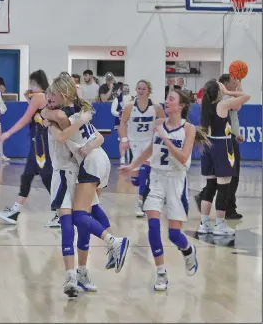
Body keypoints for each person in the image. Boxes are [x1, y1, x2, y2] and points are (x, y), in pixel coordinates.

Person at [120, 89, 209, 291]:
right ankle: (161, 273)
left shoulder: (189, 129)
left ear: (181, 105)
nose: (166, 101)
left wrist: (165, 139)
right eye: (166, 97)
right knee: (152, 226)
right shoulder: (159, 124)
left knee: (174, 235)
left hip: (176, 181)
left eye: (171, 99)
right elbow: (150, 150)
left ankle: (188, 250)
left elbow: (183, 158)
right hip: (156, 178)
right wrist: (132, 166)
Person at [46, 75, 130, 273]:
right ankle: (110, 250)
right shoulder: (79, 110)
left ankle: (113, 242)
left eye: (53, 93)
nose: (50, 97)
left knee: (79, 215)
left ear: (63, 94)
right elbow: (99, 137)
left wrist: (46, 116)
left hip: (90, 162)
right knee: (93, 207)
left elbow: (61, 134)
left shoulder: (65, 116)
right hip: (102, 159)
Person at [0, 70, 59, 227]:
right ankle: (15, 211)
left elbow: (25, 119)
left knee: (46, 176)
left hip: (41, 142)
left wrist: (8, 133)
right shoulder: (42, 96)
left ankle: (61, 212)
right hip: (38, 141)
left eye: (31, 83)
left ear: (36, 83)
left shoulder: (38, 97)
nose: (29, 86)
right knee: (27, 176)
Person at [197, 79, 250, 236]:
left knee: (210, 186)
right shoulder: (222, 104)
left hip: (208, 147)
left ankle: (204, 223)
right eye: (222, 87)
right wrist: (228, 92)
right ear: (219, 91)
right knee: (224, 186)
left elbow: (238, 105)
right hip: (222, 147)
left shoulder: (205, 105)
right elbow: (246, 96)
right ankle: (220, 224)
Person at [119, 80, 165, 217]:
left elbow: (163, 122)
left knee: (145, 171)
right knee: (136, 180)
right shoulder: (129, 107)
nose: (141, 90)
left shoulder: (156, 107)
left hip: (149, 143)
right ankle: (145, 192)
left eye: (144, 88)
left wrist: (160, 133)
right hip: (134, 143)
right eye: (139, 88)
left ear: (148, 90)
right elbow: (123, 123)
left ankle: (141, 203)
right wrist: (124, 140)